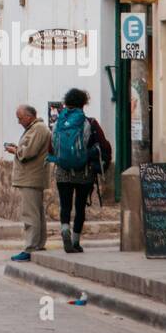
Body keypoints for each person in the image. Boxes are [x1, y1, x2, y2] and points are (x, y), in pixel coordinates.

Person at [49, 87, 110, 253]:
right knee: (80, 206)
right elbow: (104, 146)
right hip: (85, 171)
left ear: (66, 102)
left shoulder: (57, 123)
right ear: (84, 103)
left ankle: (64, 229)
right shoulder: (90, 123)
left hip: (63, 171)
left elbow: (51, 147)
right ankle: (75, 242)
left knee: (65, 205)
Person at [5, 104, 51, 261]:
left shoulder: (38, 129)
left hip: (31, 178)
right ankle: (38, 244)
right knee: (36, 213)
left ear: (29, 116)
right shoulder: (35, 128)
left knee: (30, 214)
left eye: (20, 118)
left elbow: (29, 152)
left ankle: (30, 247)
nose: (18, 121)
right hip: (32, 177)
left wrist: (15, 151)